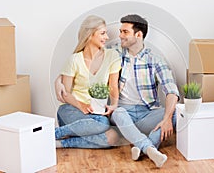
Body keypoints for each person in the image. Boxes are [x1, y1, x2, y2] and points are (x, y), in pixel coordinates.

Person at [56, 14, 179, 168]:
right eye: (120, 31)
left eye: (125, 32)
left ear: (138, 35)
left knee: (175, 113)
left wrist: (167, 118)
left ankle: (144, 148)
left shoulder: (155, 60)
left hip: (147, 113)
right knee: (118, 113)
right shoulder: (114, 53)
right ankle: (148, 148)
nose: (119, 35)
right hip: (122, 113)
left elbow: (172, 91)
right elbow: (82, 59)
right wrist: (58, 81)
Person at [55, 15, 121, 148]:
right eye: (102, 33)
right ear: (90, 35)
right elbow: (65, 94)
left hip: (98, 115)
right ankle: (58, 134)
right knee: (101, 126)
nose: (107, 37)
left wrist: (114, 105)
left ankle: (61, 140)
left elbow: (113, 86)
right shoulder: (74, 60)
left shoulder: (112, 56)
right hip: (72, 110)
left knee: (112, 137)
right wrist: (81, 105)